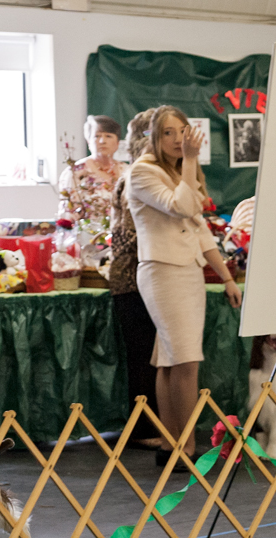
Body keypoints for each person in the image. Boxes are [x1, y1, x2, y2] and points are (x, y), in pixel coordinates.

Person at [127, 105, 242, 466]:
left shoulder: (177, 171)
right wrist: (191, 162)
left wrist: (226, 277)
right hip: (163, 272)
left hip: (187, 272)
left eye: (182, 131)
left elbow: (200, 229)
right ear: (154, 138)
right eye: (168, 133)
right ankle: (186, 447)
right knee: (187, 360)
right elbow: (180, 206)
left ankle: (171, 445)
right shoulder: (143, 172)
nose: (178, 139)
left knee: (170, 360)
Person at [107, 107, 161, 448]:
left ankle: (155, 425)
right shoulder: (136, 178)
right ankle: (144, 430)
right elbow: (130, 235)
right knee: (143, 356)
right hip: (132, 280)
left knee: (152, 355)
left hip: (143, 277)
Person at [58, 115, 126, 224]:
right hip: (86, 233)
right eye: (97, 136)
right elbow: (67, 212)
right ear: (89, 142)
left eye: (108, 136)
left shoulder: (127, 171)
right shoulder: (74, 172)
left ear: (117, 143)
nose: (102, 141)